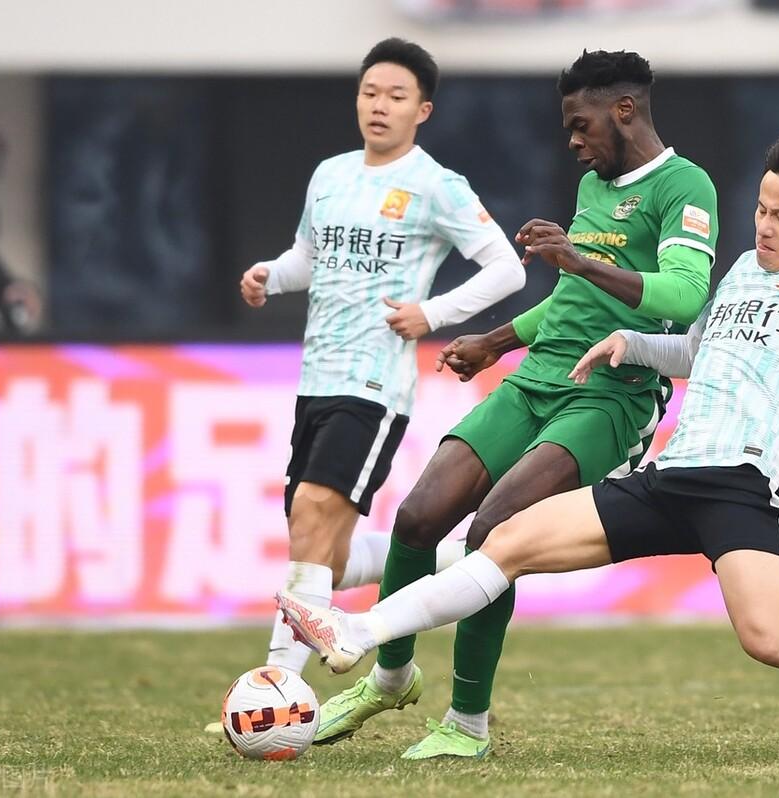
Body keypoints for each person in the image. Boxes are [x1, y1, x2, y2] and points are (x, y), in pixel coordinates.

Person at [278, 127, 779, 762]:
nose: (764, 225)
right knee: (506, 541)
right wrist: (632, 342)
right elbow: (697, 352)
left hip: (740, 484)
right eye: (761, 209)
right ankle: (357, 632)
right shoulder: (742, 270)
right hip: (669, 476)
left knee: (773, 642)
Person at [303, 49, 719, 759]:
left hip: (609, 394)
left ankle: (467, 723)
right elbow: (573, 299)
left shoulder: (685, 186)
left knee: (494, 532)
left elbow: (684, 296)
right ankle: (391, 678)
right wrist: (496, 341)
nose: (574, 141)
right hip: (536, 380)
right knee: (419, 514)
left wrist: (578, 259)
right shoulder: (594, 187)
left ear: (624, 110)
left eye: (582, 124)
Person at [213, 37, 526, 731]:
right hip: (316, 378)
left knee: (313, 515)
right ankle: (446, 560)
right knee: (315, 543)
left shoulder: (435, 184)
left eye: (396, 96)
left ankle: (277, 695)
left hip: (374, 383)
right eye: (370, 92)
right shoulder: (329, 175)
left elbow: (507, 268)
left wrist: (432, 314)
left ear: (423, 110)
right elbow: (307, 257)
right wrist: (269, 276)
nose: (379, 106)